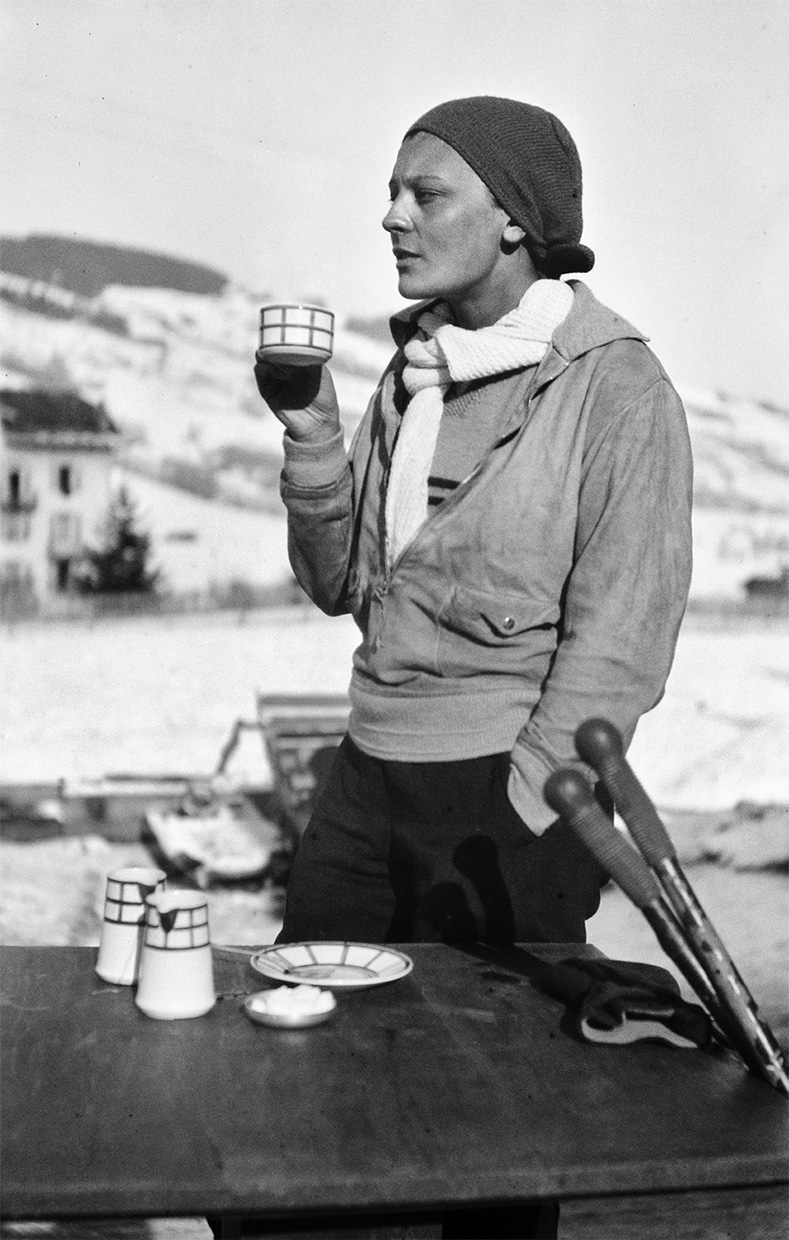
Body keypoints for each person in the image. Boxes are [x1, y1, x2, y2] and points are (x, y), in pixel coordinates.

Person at [255, 95, 693, 953]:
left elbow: (623, 641)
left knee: (492, 1072)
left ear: (512, 221)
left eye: (426, 195)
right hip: (364, 775)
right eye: (392, 192)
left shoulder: (614, 389)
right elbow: (340, 586)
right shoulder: (413, 372)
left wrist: (528, 798)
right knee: (316, 1035)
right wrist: (311, 439)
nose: (391, 217)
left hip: (506, 789)